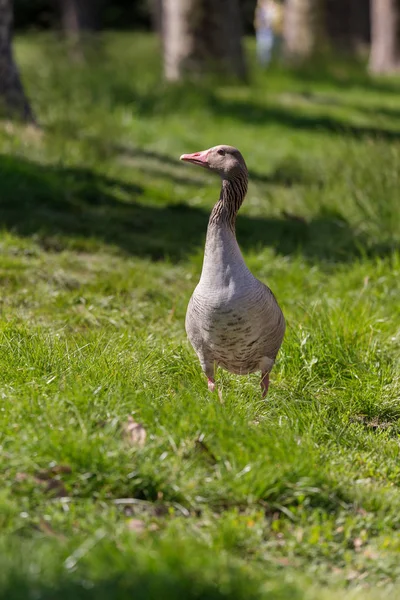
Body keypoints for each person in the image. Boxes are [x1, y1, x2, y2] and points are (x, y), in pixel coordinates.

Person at [254, 0, 282, 67]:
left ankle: (271, 64)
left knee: (271, 47)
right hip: (263, 30)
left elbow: (278, 19)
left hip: (273, 31)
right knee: (262, 47)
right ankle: (263, 64)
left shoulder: (277, 8)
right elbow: (257, 21)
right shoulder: (260, 8)